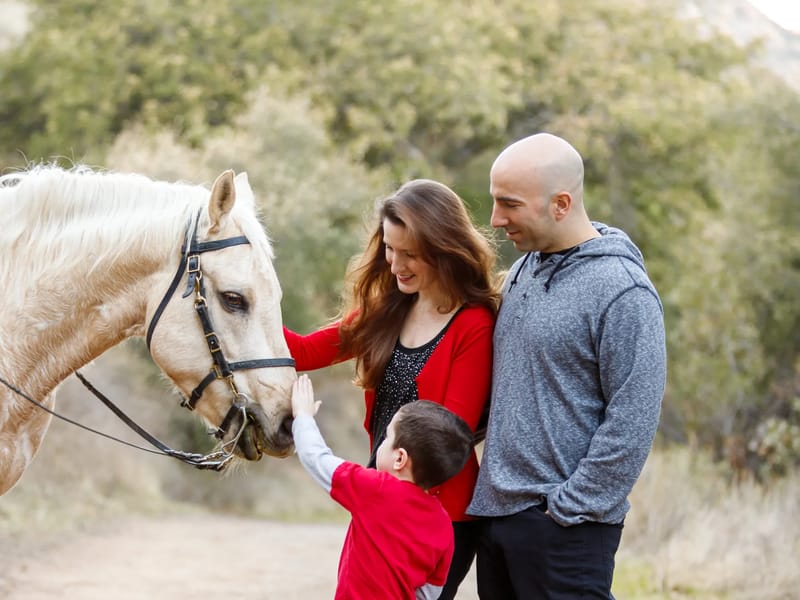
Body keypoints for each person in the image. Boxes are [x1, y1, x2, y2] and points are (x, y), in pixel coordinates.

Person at [468, 133, 667, 599]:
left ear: (560, 203)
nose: (496, 220)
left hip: (565, 530)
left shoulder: (622, 292)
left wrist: (569, 508)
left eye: (509, 204)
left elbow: (633, 417)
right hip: (497, 520)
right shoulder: (522, 270)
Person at [284, 178, 499, 599]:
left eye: (410, 254)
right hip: (385, 499)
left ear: (441, 249)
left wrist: (388, 500)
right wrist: (245, 299)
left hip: (440, 515)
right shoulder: (387, 308)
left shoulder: (473, 323)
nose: (395, 263)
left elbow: (451, 435)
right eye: (389, 248)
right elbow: (305, 352)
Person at [291, 374, 475, 600]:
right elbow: (429, 593)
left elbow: (316, 458)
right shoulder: (443, 524)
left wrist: (302, 417)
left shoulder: (375, 489)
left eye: (387, 437)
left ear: (400, 458)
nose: (382, 442)